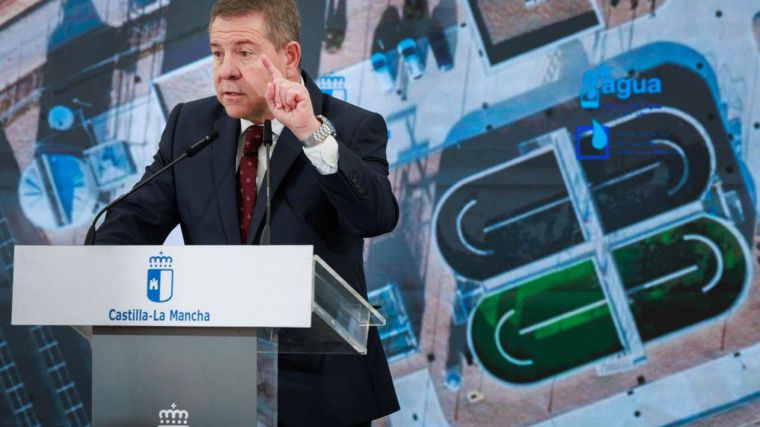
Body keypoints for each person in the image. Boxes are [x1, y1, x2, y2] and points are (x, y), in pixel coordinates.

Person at [93, 0, 400, 425]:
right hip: (213, 387)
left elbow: (376, 218)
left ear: (288, 56)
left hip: (321, 394)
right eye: (217, 53)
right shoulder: (189, 125)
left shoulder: (349, 126)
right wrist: (96, 274)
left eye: (244, 52)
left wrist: (310, 133)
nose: (226, 71)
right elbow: (134, 220)